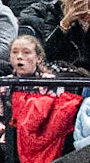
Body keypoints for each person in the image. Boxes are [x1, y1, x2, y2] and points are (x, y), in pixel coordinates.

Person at [7, 34, 81, 163]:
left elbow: (57, 115)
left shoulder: (50, 82)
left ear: (39, 58)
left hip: (43, 134)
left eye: (26, 52)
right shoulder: (4, 84)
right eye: (15, 52)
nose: (19, 56)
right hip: (12, 133)